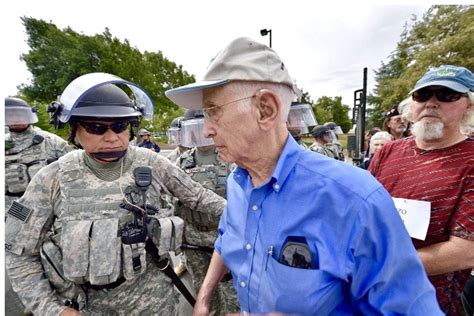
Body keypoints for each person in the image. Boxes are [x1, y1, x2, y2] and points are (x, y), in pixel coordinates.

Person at [165, 37, 442, 315]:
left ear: (266, 109)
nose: (207, 130)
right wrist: (204, 297)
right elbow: (227, 239)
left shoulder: (354, 200)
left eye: (213, 112)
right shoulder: (238, 183)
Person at [5, 72, 226, 315]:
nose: (112, 137)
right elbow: (17, 253)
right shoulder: (50, 179)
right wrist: (52, 310)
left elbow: (200, 197)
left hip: (156, 302)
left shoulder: (152, 163)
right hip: (89, 306)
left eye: (120, 126)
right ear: (74, 129)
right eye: (96, 127)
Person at [369, 64, 474, 315]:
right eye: (423, 95)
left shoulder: (471, 161)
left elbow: (464, 252)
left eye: (446, 95)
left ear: (469, 106)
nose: (432, 103)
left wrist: (379, 265)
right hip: (370, 294)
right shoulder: (388, 151)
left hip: (428, 301)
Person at [5, 97, 74, 315]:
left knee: (54, 251)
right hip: (15, 206)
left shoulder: (49, 141)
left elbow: (75, 165)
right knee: (20, 251)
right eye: (10, 115)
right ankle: (37, 301)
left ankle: (66, 297)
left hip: (48, 207)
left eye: (19, 114)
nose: (15, 120)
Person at [176, 109, 239, 315]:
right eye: (190, 130)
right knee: (202, 287)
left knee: (231, 291)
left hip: (223, 236)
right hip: (193, 238)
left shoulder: (231, 157)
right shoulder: (181, 161)